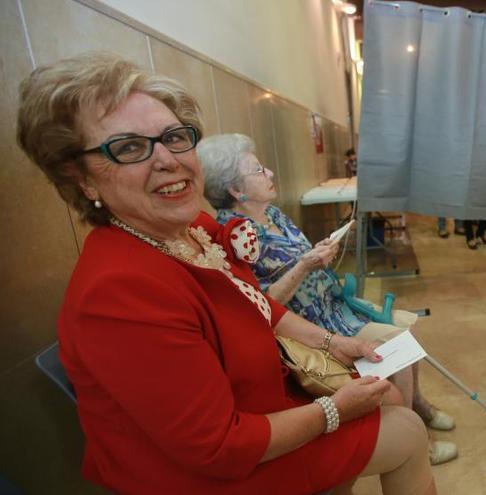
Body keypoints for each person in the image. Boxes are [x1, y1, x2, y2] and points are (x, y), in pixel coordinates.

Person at [16, 52, 437, 495]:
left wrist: (334, 342)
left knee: (387, 401)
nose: (167, 159)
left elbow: (257, 304)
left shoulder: (192, 229)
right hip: (206, 473)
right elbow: (216, 446)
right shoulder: (118, 290)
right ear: (81, 178)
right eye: (129, 147)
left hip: (254, 412)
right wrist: (333, 410)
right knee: (405, 431)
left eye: (175, 137)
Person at [198, 134, 458, 465]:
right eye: (258, 169)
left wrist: (320, 253)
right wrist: (306, 264)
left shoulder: (274, 215)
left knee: (406, 337)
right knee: (398, 349)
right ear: (236, 190)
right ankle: (418, 442)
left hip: (332, 307)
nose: (270, 173)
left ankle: (418, 406)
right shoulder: (235, 236)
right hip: (309, 326)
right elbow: (261, 303)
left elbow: (303, 258)